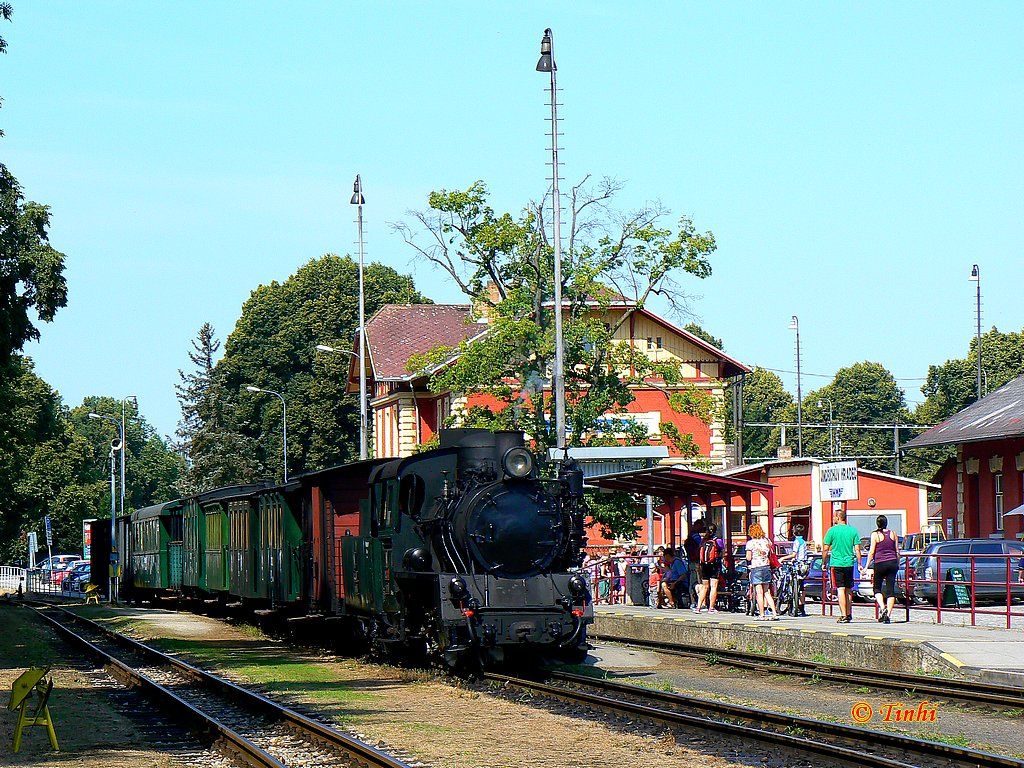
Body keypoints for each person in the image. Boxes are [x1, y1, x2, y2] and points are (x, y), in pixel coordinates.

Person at [822, 506, 863, 624]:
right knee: (849, 589)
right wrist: (859, 563)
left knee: (840, 589)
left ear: (838, 517)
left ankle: (843, 615)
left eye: (834, 516)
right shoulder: (853, 531)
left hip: (836, 563)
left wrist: (824, 562)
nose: (833, 518)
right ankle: (849, 613)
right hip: (849, 563)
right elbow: (857, 550)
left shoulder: (832, 531)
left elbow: (825, 549)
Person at [865, 515, 899, 624]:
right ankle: (888, 615)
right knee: (890, 591)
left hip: (880, 563)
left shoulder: (875, 535)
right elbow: (897, 551)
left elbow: (871, 552)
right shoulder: (893, 534)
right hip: (892, 562)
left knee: (877, 588)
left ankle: (882, 607)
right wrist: (897, 563)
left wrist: (866, 566)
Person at [745, 523, 779, 620]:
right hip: (766, 567)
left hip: (756, 567)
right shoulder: (767, 541)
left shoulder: (750, 543)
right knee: (767, 592)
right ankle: (774, 613)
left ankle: (762, 614)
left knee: (759, 593)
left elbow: (748, 557)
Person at [694, 523, 725, 613]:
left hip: (704, 565)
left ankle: (698, 607)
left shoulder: (703, 540)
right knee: (713, 586)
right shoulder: (718, 540)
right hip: (714, 565)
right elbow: (723, 552)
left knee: (704, 587)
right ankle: (711, 608)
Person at [780, 523, 810, 616]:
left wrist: (783, 558)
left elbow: (793, 554)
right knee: (801, 587)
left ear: (794, 532)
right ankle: (802, 607)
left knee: (793, 583)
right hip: (804, 564)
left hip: (798, 565)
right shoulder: (803, 541)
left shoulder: (797, 541)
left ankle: (793, 604)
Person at [683, 519, 706, 608]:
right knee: (697, 580)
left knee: (692, 581)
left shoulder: (690, 535)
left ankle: (693, 600)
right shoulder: (696, 536)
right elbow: (701, 546)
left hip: (691, 560)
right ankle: (697, 602)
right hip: (695, 562)